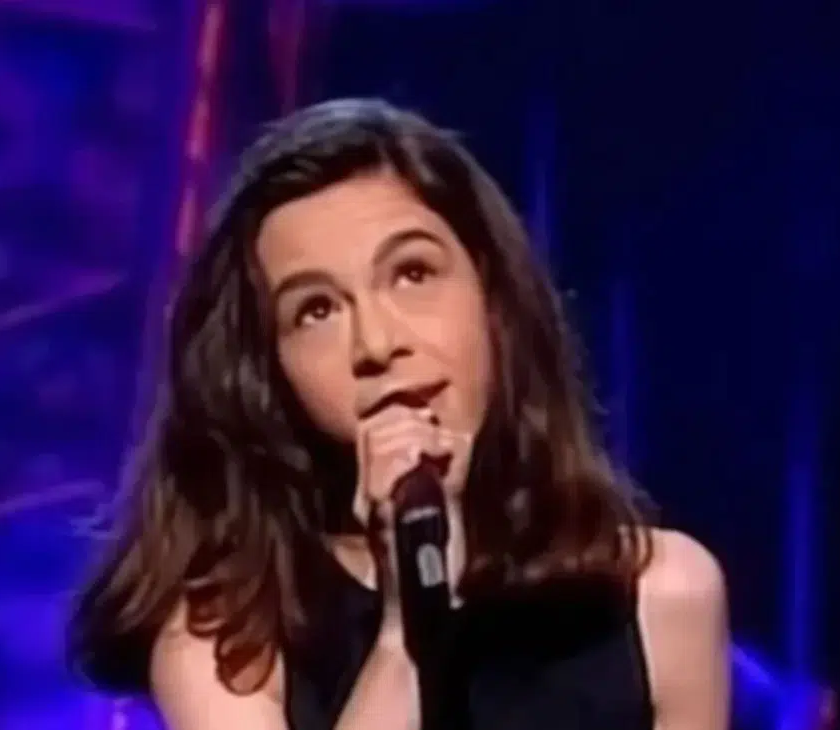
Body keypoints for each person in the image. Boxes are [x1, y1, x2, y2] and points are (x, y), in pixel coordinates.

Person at [68, 98, 730, 730]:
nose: (377, 344)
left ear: (492, 294)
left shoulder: (662, 594)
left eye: (413, 274)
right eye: (316, 311)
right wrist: (404, 634)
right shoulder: (226, 641)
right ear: (269, 374)